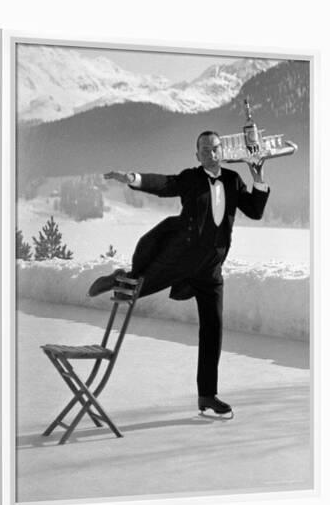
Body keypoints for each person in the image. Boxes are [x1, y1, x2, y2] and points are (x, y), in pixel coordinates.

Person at [88, 131, 270, 416]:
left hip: (211, 268)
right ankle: (120, 277)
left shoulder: (234, 180)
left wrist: (258, 177)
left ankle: (207, 396)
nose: (211, 153)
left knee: (213, 330)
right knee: (138, 287)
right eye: (205, 149)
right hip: (181, 257)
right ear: (197, 155)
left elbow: (255, 211)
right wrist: (134, 178)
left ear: (222, 151)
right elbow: (164, 184)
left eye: (215, 148)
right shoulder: (191, 178)